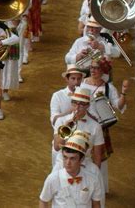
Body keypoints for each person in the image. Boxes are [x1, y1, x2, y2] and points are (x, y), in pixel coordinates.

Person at [80, 58, 128, 192]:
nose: (93, 70)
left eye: (96, 68)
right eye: (92, 67)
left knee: (99, 159)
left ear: (103, 71)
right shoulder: (82, 84)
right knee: (81, 156)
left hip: (100, 129)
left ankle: (98, 189)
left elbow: (118, 105)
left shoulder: (108, 87)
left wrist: (124, 91)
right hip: (83, 125)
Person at [40, 134, 103, 207]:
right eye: (65, 157)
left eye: (72, 158)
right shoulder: (53, 179)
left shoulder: (93, 180)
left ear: (81, 159)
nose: (67, 162)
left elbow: (96, 204)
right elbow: (43, 200)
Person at [53, 87, 104, 171]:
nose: (77, 107)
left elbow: (97, 155)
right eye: (74, 103)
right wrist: (66, 129)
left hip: (85, 165)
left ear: (87, 105)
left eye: (81, 104)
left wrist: (96, 174)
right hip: (63, 163)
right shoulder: (61, 121)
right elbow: (56, 147)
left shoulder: (96, 126)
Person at [49, 64, 85, 165]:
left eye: (79, 79)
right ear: (67, 79)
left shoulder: (87, 95)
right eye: (73, 78)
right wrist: (70, 112)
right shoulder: (57, 96)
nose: (76, 82)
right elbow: (54, 120)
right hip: (61, 141)